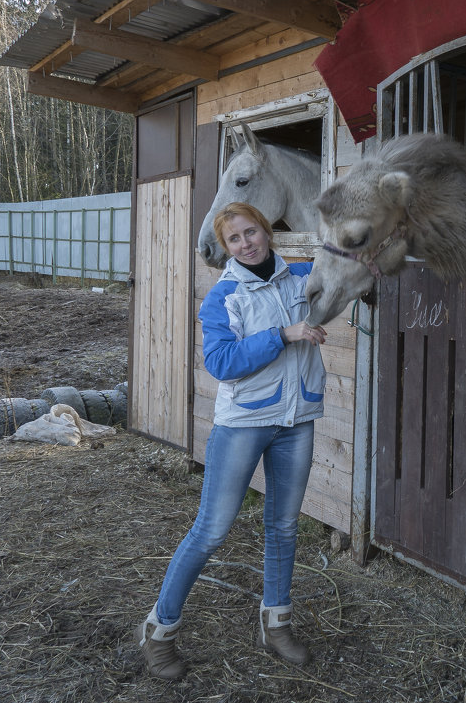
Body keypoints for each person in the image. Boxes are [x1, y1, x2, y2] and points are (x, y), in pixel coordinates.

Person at [136, 202, 327, 680]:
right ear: (227, 250)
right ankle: (159, 633)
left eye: (251, 232)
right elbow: (221, 363)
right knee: (211, 531)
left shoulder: (302, 276)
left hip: (296, 419)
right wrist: (283, 333)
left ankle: (276, 625)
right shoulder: (223, 296)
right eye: (235, 240)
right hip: (243, 424)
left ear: (266, 230)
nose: (247, 243)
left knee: (283, 528)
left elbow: (348, 270)